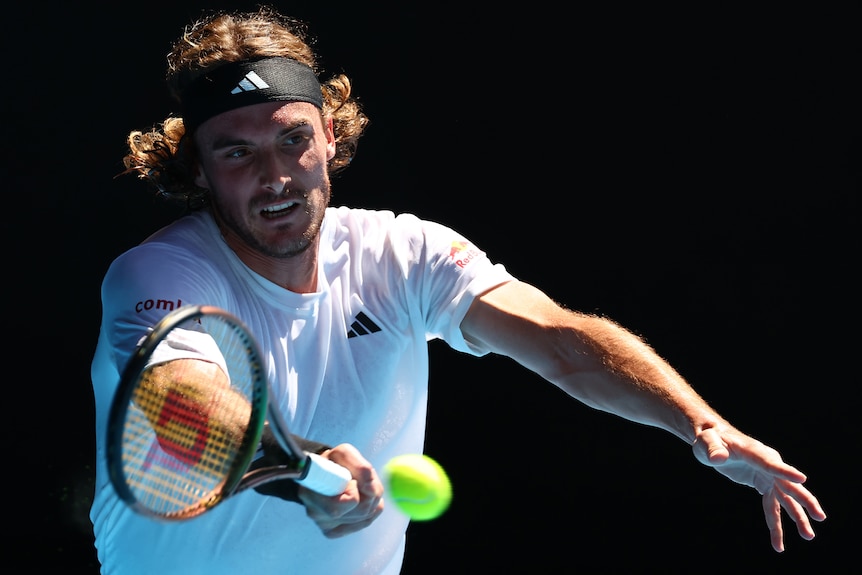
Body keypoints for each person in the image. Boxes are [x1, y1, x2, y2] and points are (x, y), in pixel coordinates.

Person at [88, 6, 826, 574]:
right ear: (198, 170)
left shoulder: (403, 252)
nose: (275, 175)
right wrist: (301, 462)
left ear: (331, 138)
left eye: (292, 139)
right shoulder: (156, 276)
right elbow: (177, 401)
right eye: (237, 153)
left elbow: (561, 340)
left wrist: (696, 422)